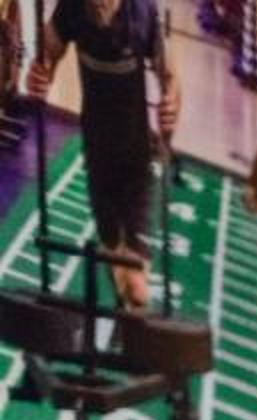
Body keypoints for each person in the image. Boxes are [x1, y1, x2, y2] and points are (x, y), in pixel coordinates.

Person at [21, 0, 177, 315]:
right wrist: (40, 75)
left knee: (135, 277)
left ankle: (135, 319)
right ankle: (125, 313)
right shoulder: (72, 9)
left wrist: (171, 104)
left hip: (136, 156)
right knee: (111, 247)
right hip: (97, 149)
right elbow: (48, 53)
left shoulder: (142, 14)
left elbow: (170, 77)